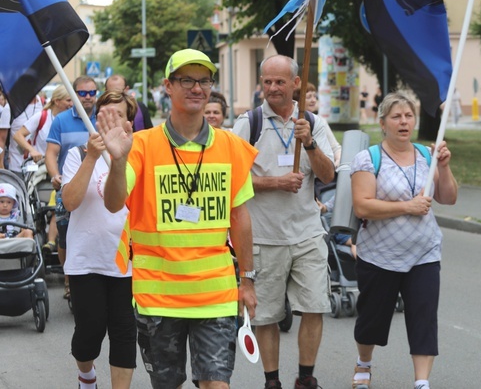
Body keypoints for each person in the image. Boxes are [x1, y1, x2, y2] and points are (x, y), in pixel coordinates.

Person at [99, 48, 258, 389]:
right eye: (186, 80)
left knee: (216, 384)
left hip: (215, 294)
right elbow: (113, 204)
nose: (197, 88)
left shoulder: (231, 146)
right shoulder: (140, 145)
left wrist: (247, 280)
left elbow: (240, 217)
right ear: (168, 86)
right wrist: (116, 161)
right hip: (159, 296)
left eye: (204, 81)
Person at [232, 54, 335, 389]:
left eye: (279, 82)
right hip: (263, 236)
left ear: (296, 84)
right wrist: (274, 182)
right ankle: (271, 380)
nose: (272, 88)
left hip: (307, 233)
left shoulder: (314, 123)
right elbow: (233, 179)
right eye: (267, 82)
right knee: (267, 316)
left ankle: (306, 378)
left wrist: (309, 143)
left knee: (315, 307)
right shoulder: (249, 124)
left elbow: (327, 174)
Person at [349, 91, 458, 389]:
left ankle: (422, 381)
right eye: (396, 116)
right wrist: (406, 207)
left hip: (424, 253)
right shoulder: (368, 159)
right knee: (372, 320)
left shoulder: (427, 155)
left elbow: (448, 198)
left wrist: (444, 167)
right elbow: (362, 205)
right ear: (383, 123)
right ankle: (364, 363)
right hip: (379, 255)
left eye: (409, 116)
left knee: (424, 318)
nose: (403, 122)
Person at [62, 91, 138, 389]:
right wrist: (92, 157)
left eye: (118, 115)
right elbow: (69, 202)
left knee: (124, 333)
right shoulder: (79, 154)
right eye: (104, 115)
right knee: (88, 334)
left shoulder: (139, 154)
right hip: (87, 260)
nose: (110, 122)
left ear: (129, 122)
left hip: (126, 261)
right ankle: (86, 375)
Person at [45, 76, 99, 300]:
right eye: (82, 93)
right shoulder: (61, 120)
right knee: (66, 236)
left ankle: (96, 276)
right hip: (68, 186)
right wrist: (54, 175)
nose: (87, 97)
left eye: (91, 92)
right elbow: (51, 153)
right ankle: (69, 279)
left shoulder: (104, 117)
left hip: (98, 188)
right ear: (74, 95)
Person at [14, 85, 73, 253]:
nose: (72, 104)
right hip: (41, 167)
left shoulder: (70, 119)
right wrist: (32, 150)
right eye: (68, 100)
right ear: (57, 101)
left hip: (63, 167)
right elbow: (18, 135)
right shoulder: (42, 117)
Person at [6, 92, 45, 177]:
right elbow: (2, 139)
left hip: (37, 165)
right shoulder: (11, 106)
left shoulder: (41, 102)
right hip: (16, 164)